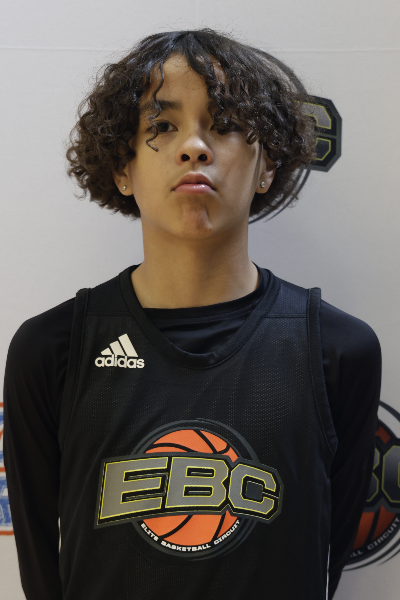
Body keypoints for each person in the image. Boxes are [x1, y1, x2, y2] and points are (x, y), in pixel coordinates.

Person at [3, 28, 381, 600]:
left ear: (267, 165)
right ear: (123, 168)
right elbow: (40, 568)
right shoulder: (52, 349)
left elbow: (325, 562)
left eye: (224, 125)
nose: (195, 147)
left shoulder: (338, 350)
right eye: (162, 126)